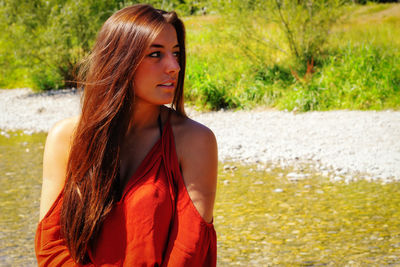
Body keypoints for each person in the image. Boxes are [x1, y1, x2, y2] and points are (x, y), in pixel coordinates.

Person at [35, 4, 218, 266]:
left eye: (175, 53)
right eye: (156, 54)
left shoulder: (194, 141)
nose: (174, 66)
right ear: (119, 60)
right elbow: (50, 247)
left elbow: (190, 251)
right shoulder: (65, 138)